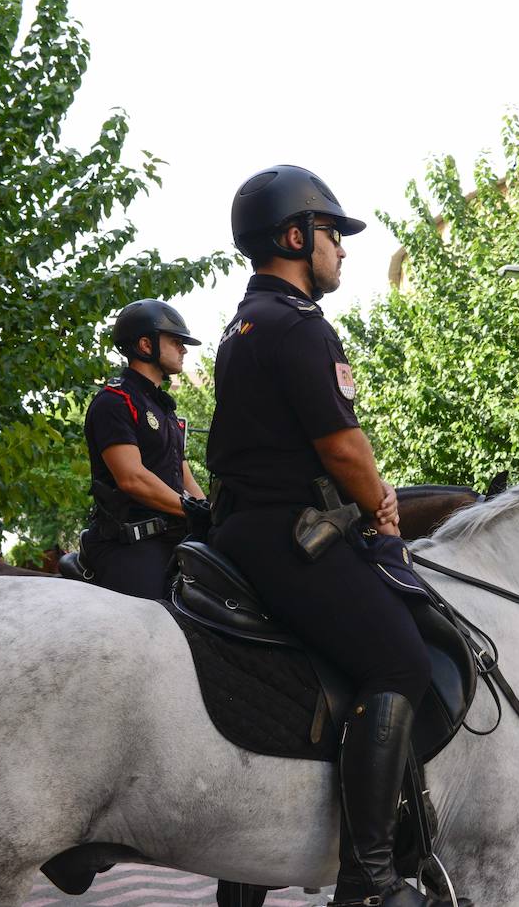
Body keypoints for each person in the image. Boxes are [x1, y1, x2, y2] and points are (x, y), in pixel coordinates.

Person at [207, 165, 458, 907]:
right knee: (399, 662)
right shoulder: (297, 324)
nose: (342, 251)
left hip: (244, 527)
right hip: (288, 534)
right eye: (333, 235)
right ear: (294, 237)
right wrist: (381, 504)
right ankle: (370, 881)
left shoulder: (244, 324)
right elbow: (342, 445)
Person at [80, 299, 205, 599]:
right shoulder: (115, 401)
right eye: (176, 342)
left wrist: (209, 511)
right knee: (151, 626)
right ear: (146, 345)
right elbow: (131, 477)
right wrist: (190, 509)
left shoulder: (164, 409)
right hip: (130, 544)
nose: (183, 350)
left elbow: (182, 470)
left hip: (174, 537)